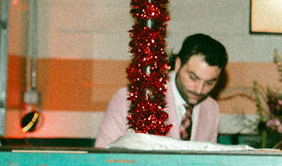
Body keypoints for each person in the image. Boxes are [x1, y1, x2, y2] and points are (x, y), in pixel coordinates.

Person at [94, 34, 228, 147]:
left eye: (210, 82)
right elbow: (103, 155)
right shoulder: (132, 97)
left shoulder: (211, 109)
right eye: (193, 78)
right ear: (178, 64)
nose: (199, 90)